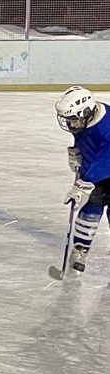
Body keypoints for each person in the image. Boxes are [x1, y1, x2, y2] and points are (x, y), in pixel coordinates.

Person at [55, 85, 110, 273]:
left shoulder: (107, 127)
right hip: (94, 170)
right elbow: (84, 138)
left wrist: (83, 185)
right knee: (91, 210)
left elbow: (105, 161)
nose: (70, 125)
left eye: (73, 120)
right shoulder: (83, 120)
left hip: (103, 169)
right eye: (67, 120)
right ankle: (80, 250)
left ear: (86, 112)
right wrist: (76, 151)